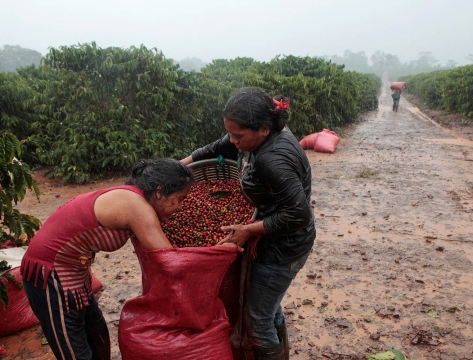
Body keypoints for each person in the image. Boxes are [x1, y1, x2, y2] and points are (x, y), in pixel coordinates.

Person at [181, 87, 315, 360]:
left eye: (238, 135)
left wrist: (247, 231)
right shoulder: (253, 136)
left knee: (257, 317)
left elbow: (298, 214)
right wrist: (178, 168)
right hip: (271, 239)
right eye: (230, 131)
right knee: (269, 304)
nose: (233, 140)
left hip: (285, 246)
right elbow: (218, 147)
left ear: (263, 130)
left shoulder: (272, 159)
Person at [21, 158, 195, 360]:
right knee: (74, 347)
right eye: (180, 198)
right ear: (159, 191)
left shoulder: (134, 197)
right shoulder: (137, 207)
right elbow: (170, 260)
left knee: (97, 333)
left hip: (76, 271)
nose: (181, 207)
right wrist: (220, 250)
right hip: (50, 274)